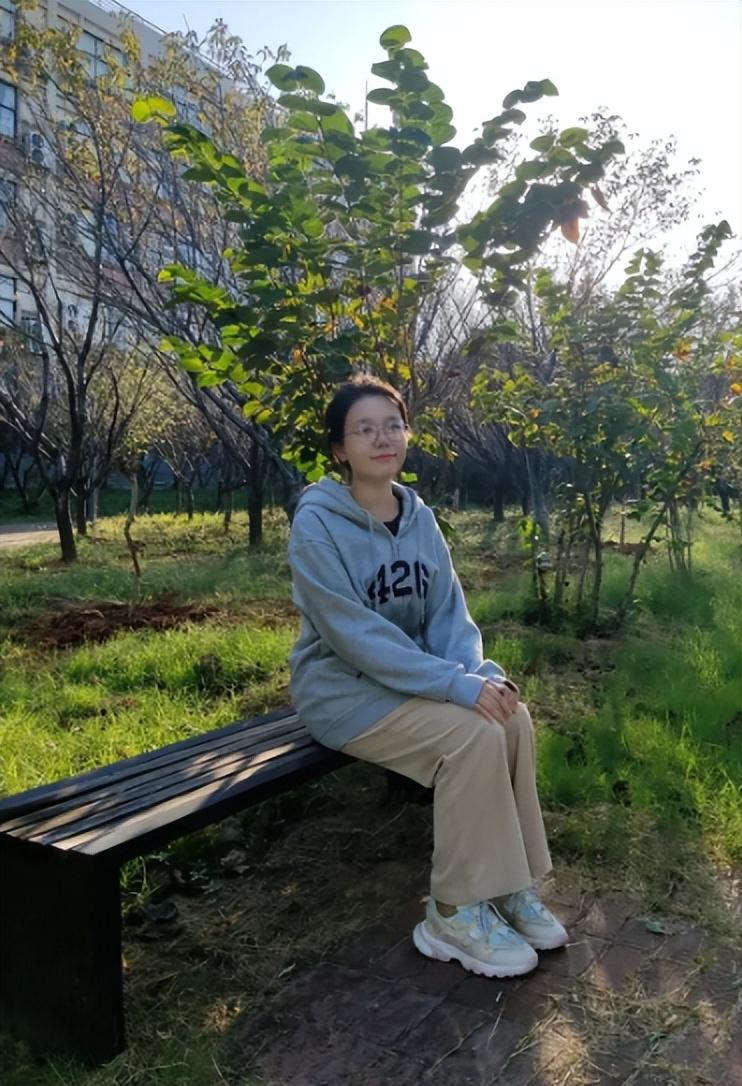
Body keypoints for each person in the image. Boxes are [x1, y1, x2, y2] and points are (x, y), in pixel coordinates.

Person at [287, 375, 567, 978]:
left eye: (392, 425)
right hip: (343, 693)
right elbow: (353, 635)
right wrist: (454, 687)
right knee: (470, 736)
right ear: (339, 449)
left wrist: (478, 675)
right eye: (364, 429)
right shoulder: (317, 523)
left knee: (510, 717)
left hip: (411, 682)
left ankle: (507, 885)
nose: (381, 439)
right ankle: (452, 911)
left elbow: (449, 617)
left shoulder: (420, 519)